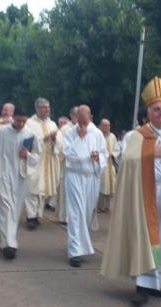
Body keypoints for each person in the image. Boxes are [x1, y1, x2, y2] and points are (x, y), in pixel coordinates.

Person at [100, 76, 161, 307]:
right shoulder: (138, 136)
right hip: (145, 194)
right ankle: (142, 285)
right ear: (149, 112)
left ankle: (157, 283)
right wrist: (151, 154)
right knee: (146, 239)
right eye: (156, 109)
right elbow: (126, 161)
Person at [0, 107, 41, 260]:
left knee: (15, 210)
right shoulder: (2, 132)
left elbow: (38, 157)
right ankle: (10, 245)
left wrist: (28, 155)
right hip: (4, 175)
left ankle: (5, 240)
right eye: (18, 120)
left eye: (23, 121)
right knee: (6, 207)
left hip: (21, 177)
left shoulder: (31, 134)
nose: (21, 124)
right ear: (13, 117)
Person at [63, 105, 107, 267]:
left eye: (84, 121)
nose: (81, 125)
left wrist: (98, 158)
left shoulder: (97, 134)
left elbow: (104, 154)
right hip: (74, 176)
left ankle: (80, 246)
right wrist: (79, 138)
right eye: (79, 121)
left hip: (91, 178)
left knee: (87, 213)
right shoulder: (70, 134)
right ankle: (74, 252)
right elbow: (68, 154)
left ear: (90, 118)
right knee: (76, 214)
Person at [24, 98, 60, 229]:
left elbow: (59, 143)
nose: (47, 109)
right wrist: (43, 139)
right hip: (34, 160)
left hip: (48, 161)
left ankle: (38, 214)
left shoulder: (53, 124)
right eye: (44, 107)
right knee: (32, 188)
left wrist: (56, 140)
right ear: (37, 109)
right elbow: (26, 141)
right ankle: (30, 216)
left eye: (48, 107)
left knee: (43, 190)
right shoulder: (29, 123)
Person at [55, 108, 78, 224]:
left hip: (79, 165)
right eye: (76, 115)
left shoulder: (83, 128)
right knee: (66, 190)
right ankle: (63, 216)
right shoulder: (65, 129)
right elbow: (61, 145)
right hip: (68, 163)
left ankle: (74, 216)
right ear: (71, 115)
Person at [97, 119, 120, 213]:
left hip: (110, 164)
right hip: (101, 165)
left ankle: (107, 206)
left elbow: (117, 149)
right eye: (105, 125)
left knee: (110, 186)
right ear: (101, 126)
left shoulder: (112, 136)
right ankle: (99, 206)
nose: (107, 127)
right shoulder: (98, 136)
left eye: (108, 125)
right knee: (101, 185)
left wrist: (112, 154)